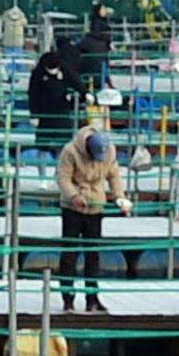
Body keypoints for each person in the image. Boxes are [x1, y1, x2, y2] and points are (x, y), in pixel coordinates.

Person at [54, 125, 124, 311]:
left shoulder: (109, 152)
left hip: (96, 207)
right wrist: (74, 196)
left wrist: (120, 196)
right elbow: (63, 177)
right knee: (69, 254)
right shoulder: (70, 151)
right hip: (72, 209)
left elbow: (114, 175)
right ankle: (67, 298)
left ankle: (92, 298)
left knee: (93, 255)